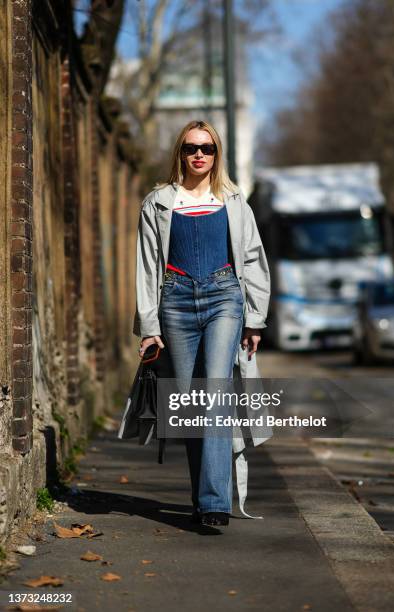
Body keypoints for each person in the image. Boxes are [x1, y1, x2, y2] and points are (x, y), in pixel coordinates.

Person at [134, 120, 270, 527]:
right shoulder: (157, 202)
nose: (199, 154)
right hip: (174, 302)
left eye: (207, 148)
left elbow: (252, 258)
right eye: (191, 147)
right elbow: (145, 267)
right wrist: (148, 325)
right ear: (180, 152)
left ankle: (214, 503)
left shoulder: (233, 201)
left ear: (217, 154)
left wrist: (255, 320)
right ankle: (203, 497)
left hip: (224, 298)